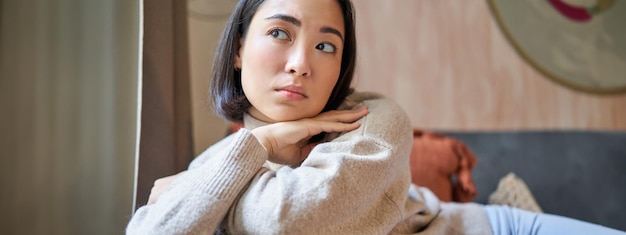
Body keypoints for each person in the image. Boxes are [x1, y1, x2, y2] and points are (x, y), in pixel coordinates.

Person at [127, 0, 626, 234]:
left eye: (326, 45)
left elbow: (292, 220)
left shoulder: (371, 118)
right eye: (280, 32)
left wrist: (207, 198)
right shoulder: (222, 161)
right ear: (238, 49)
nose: (301, 62)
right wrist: (257, 146)